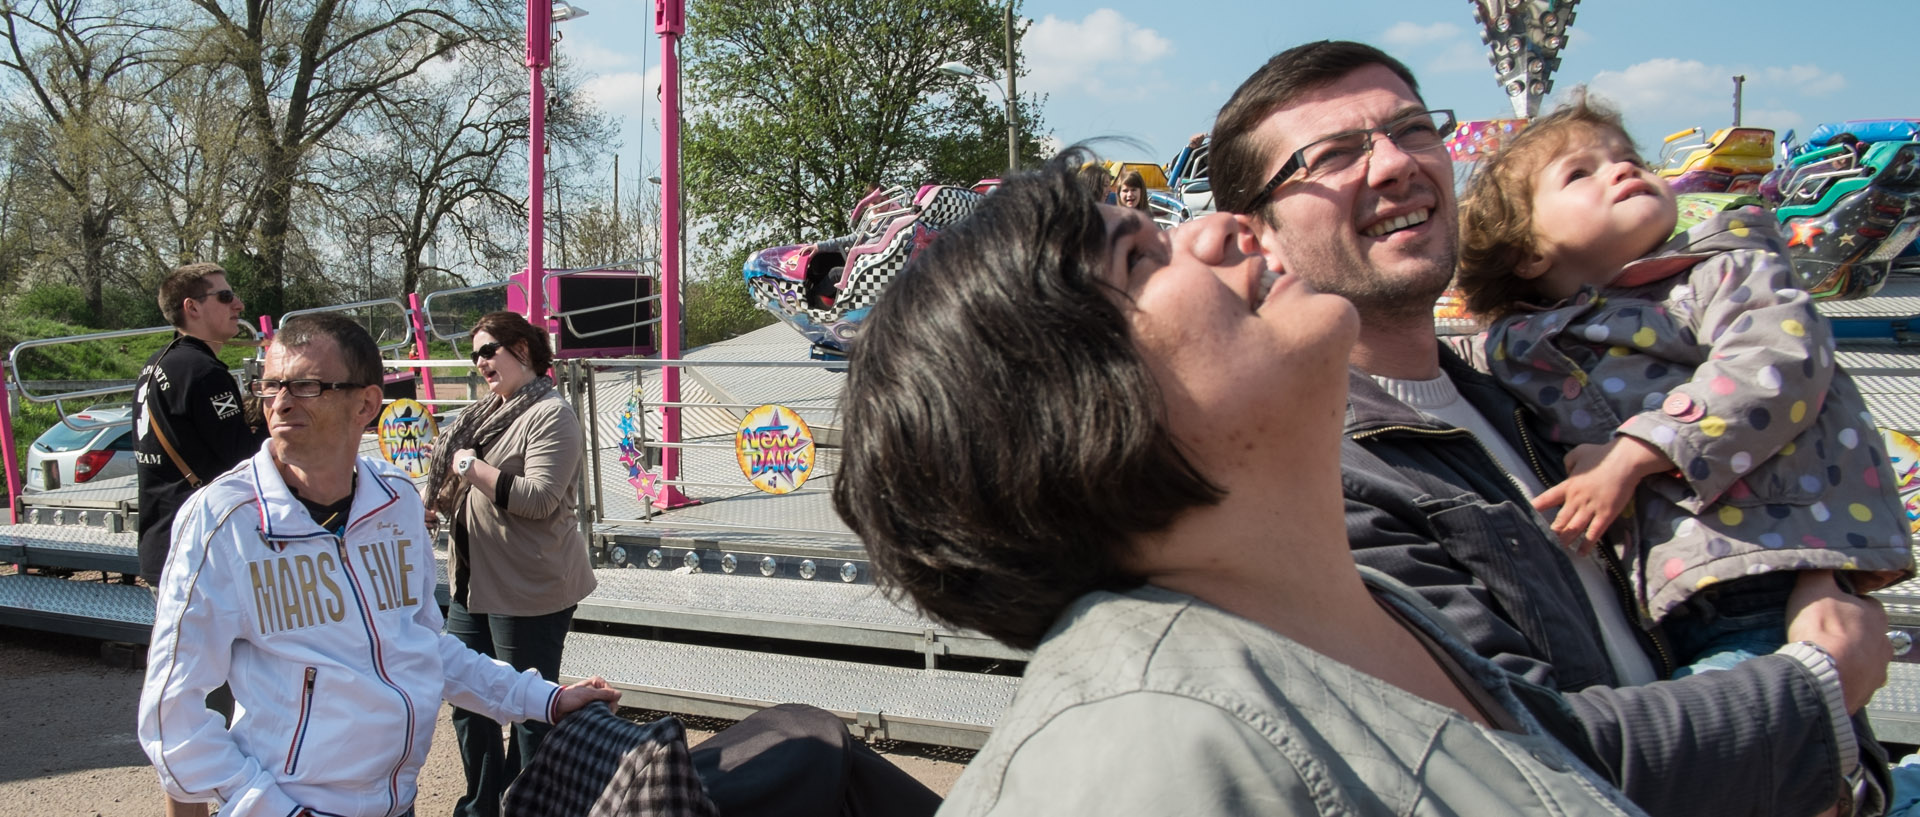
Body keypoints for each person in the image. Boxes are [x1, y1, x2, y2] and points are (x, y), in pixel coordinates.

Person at [835, 152, 1651, 816]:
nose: (1221, 227)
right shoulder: (1149, 758)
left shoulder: (1339, 616)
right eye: (1141, 256)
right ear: (1068, 415)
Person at [1205, 40, 1892, 816]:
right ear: (1254, 233)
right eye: (1332, 155)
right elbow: (1522, 760)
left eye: (1413, 128)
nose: (1395, 163)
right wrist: (1815, 685)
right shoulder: (1328, 485)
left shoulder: (1543, 400)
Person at [1451, 94, 1911, 677]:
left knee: (1739, 729)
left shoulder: (1725, 269)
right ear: (1528, 252)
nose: (1621, 169)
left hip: (1764, 563)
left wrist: (1634, 454)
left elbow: (1773, 363)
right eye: (1579, 173)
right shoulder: (1519, 342)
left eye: (1628, 159)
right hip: (1659, 593)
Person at [137, 313, 619, 817]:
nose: (279, 403)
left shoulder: (394, 502)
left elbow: (420, 648)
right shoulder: (223, 521)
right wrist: (273, 808)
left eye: (305, 386)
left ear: (365, 403)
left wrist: (543, 698)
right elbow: (172, 713)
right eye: (271, 384)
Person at [423, 311, 597, 817]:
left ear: (522, 348)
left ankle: (528, 805)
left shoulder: (552, 414)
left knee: (529, 711)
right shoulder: (482, 414)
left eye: (489, 350)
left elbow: (540, 499)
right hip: (470, 586)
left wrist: (469, 466)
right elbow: (452, 479)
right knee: (467, 705)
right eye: (475, 353)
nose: (480, 361)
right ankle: (481, 807)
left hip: (529, 589)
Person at [133, 262, 267, 817]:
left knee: (184, 696)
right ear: (193, 306)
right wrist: (266, 417)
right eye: (226, 296)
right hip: (204, 548)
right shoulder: (203, 373)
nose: (238, 306)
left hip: (162, 540)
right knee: (219, 700)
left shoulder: (157, 366)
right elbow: (242, 463)